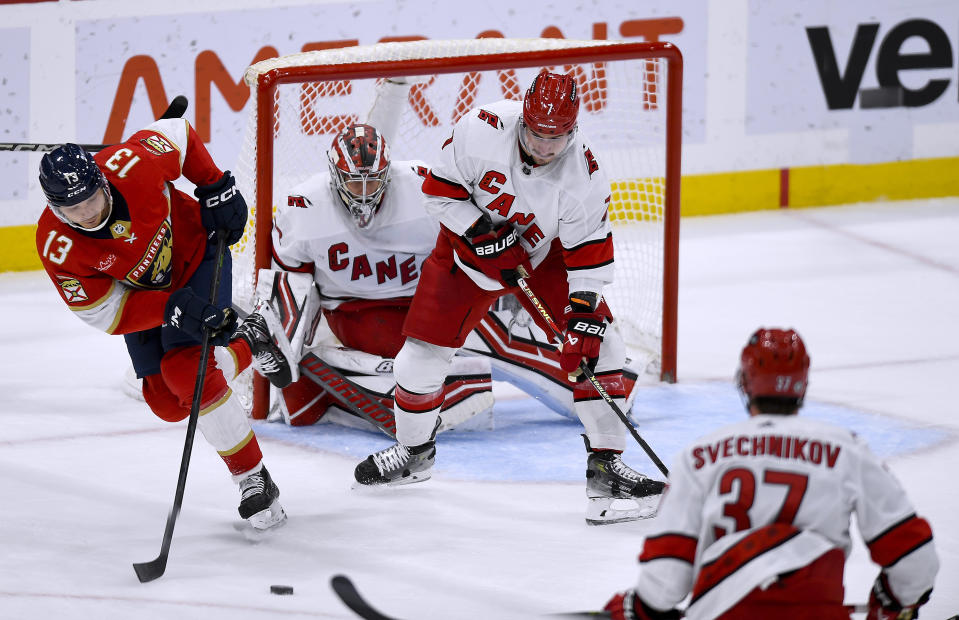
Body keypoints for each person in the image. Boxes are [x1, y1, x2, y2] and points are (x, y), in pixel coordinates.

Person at [351, 68, 666, 525]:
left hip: (544, 256)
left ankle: (606, 471)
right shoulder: (479, 130)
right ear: (523, 119)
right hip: (465, 255)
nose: (543, 146)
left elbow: (588, 257)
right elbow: (438, 194)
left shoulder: (585, 175)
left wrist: (581, 319)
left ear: (573, 131)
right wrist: (482, 233)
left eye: (555, 138)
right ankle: (413, 454)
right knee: (418, 358)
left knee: (603, 345)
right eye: (536, 133)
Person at [35, 117, 295, 531]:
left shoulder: (133, 164)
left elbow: (177, 131)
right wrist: (170, 308)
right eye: (72, 208)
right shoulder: (58, 246)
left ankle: (254, 480)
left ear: (102, 182)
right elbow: (105, 313)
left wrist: (213, 184)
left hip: (197, 256)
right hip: (148, 299)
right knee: (166, 403)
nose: (86, 213)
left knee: (187, 372)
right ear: (55, 208)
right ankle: (249, 340)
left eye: (91, 200)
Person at [603, 328, 938, 619]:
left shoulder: (700, 456)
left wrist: (641, 610)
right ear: (803, 384)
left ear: (745, 382)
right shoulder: (847, 451)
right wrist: (892, 603)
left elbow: (665, 578)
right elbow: (915, 561)